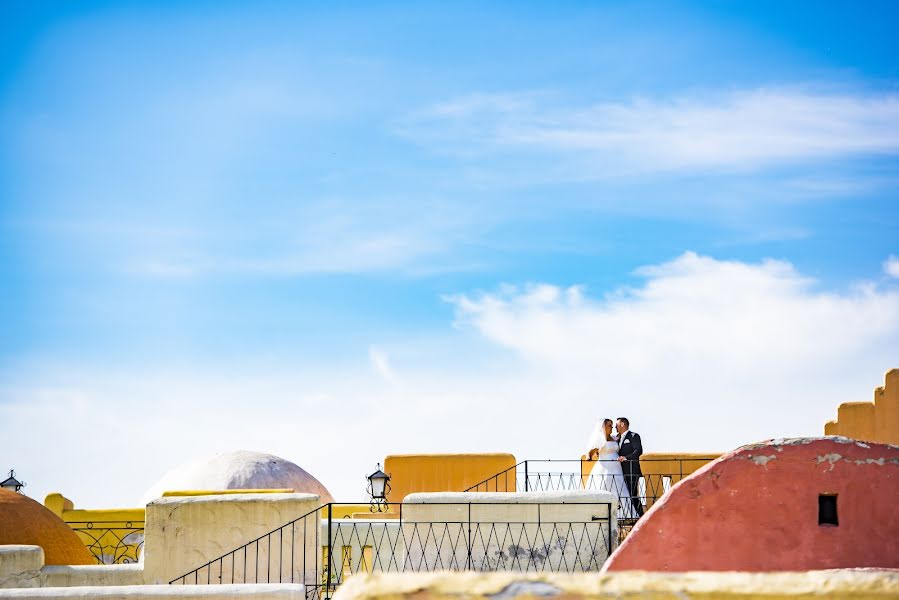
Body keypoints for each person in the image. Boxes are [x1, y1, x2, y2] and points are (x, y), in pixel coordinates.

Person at [586, 418, 628, 518]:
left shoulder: (614, 438)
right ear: (603, 427)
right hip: (605, 467)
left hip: (616, 468)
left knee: (619, 487)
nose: (612, 428)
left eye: (612, 426)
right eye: (609, 426)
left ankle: (622, 512)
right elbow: (591, 451)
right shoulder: (601, 440)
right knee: (605, 485)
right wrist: (589, 456)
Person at [615, 417, 644, 518]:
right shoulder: (616, 438)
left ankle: (640, 516)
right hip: (619, 471)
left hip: (631, 470)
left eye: (617, 424)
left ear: (622, 424)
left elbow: (638, 451)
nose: (615, 426)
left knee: (632, 494)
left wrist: (626, 458)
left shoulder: (634, 436)